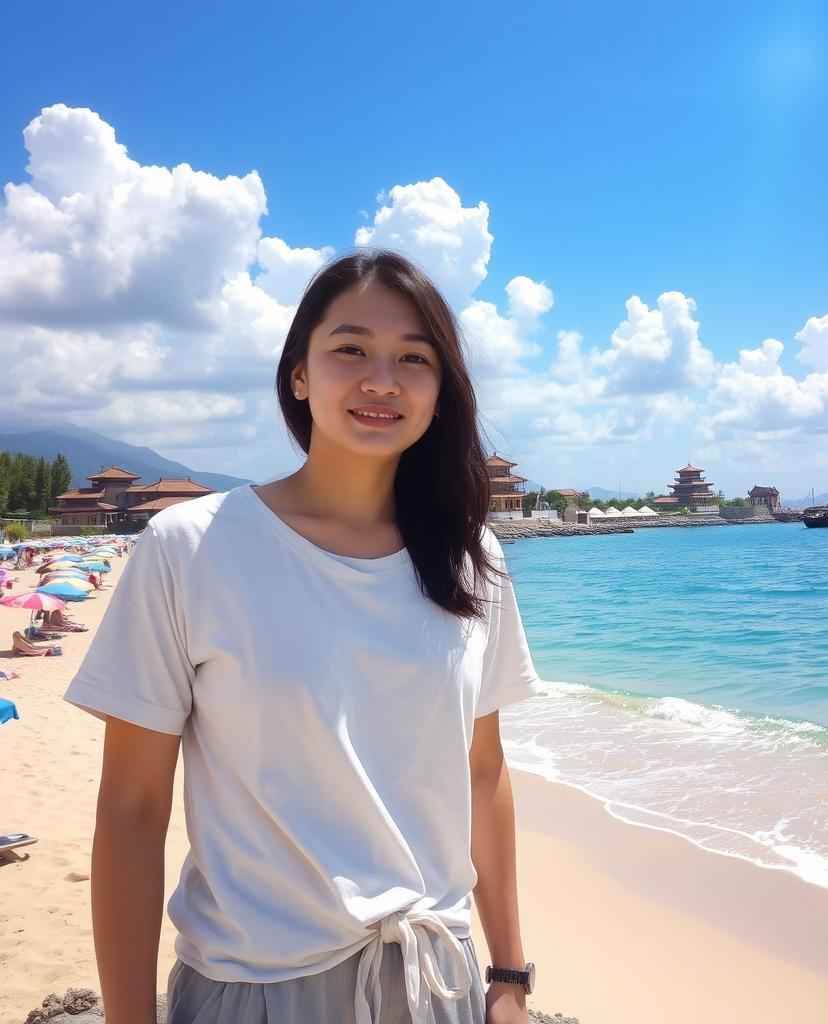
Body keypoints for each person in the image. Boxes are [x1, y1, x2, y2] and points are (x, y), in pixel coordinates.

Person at [63, 249, 544, 1024]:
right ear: (299, 374)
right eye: (350, 349)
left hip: (436, 985)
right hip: (255, 991)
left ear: (440, 390)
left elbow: (483, 773)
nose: (381, 380)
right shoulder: (191, 547)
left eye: (413, 359)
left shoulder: (470, 558)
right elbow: (130, 807)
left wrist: (511, 977)